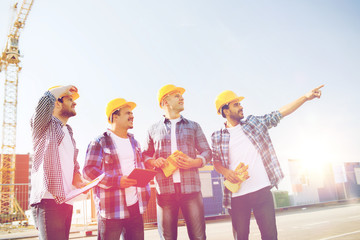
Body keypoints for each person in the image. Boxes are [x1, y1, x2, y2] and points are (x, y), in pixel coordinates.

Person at [211, 85, 324, 240]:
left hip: (262, 191)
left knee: (270, 236)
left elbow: (279, 113)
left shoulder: (254, 123)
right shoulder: (217, 136)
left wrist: (305, 97)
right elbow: (215, 161)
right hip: (237, 197)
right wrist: (225, 172)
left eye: (240, 103)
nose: (241, 106)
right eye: (236, 104)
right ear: (226, 111)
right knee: (241, 237)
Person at [143, 84, 212, 240]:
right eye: (176, 95)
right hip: (164, 192)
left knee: (199, 237)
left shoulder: (194, 126)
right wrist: (154, 162)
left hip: (191, 190)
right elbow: (144, 156)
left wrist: (195, 162)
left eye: (181, 96)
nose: (182, 98)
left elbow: (207, 152)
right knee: (167, 238)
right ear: (165, 101)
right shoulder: (152, 129)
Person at [83, 98, 150, 240]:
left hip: (135, 207)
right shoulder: (99, 142)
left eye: (132, 113)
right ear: (115, 116)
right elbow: (89, 171)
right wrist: (116, 181)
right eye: (128, 113)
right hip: (112, 210)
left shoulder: (135, 142)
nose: (132, 116)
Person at [30, 85, 87, 240]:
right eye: (70, 99)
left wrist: (78, 178)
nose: (74, 103)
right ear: (56, 102)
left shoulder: (68, 131)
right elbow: (43, 103)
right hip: (48, 200)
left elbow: (74, 164)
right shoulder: (43, 126)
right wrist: (65, 88)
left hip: (66, 200)